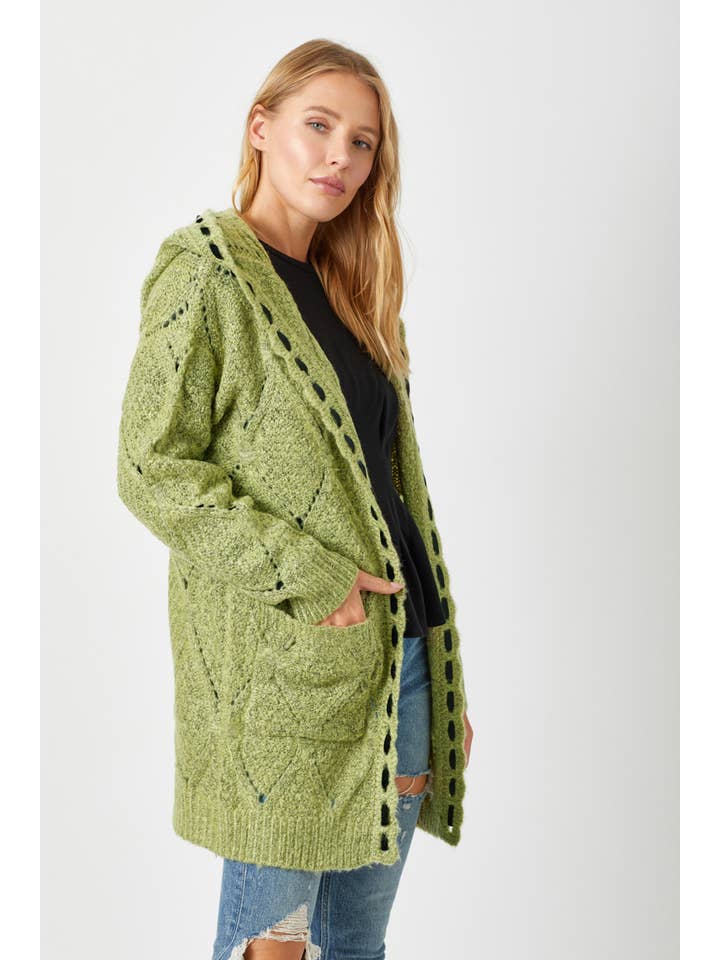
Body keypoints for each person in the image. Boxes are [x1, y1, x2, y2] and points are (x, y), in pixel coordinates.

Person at [117, 38, 473, 960]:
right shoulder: (206, 271)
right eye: (319, 125)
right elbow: (151, 466)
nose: (338, 157)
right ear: (260, 127)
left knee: (357, 947)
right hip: (286, 680)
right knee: (270, 948)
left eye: (362, 142)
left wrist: (441, 679)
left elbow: (393, 500)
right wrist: (313, 576)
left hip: (402, 668)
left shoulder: (356, 294)